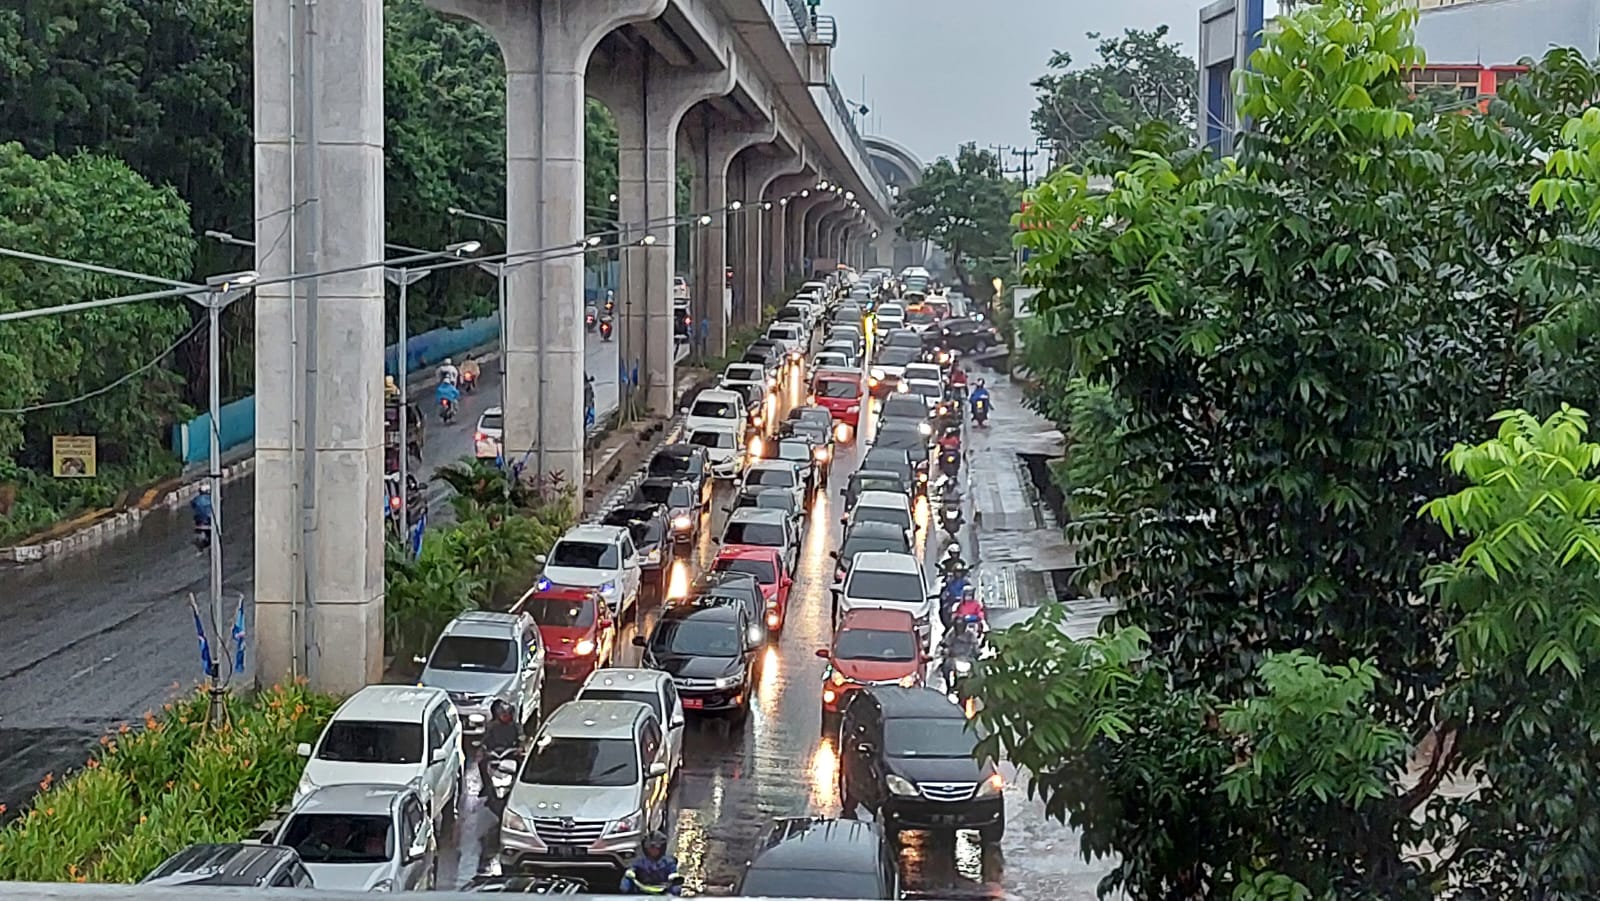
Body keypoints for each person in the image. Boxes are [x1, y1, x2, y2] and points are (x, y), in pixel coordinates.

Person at [477, 699, 520, 796]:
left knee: (521, 765)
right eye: (503, 714)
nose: (505, 716)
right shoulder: (491, 726)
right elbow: (485, 740)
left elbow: (522, 739)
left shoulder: (515, 727)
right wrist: (483, 749)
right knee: (482, 764)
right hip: (494, 753)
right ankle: (486, 785)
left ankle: (518, 785)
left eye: (507, 714)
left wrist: (520, 748)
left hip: (511, 753)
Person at [621, 831, 681, 895]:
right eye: (650, 848)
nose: (653, 851)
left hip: (663, 895)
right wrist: (630, 874)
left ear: (661, 848)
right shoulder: (639, 862)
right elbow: (629, 876)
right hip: (641, 894)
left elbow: (675, 881)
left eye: (656, 848)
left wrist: (672, 894)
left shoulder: (669, 863)